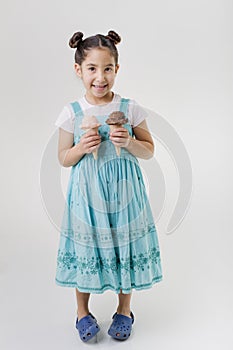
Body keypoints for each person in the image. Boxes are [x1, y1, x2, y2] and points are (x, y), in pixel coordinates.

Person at [55, 30, 163, 342]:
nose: (100, 77)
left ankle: (124, 310)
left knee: (124, 247)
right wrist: (80, 148)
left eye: (107, 69)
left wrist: (128, 141)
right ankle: (82, 312)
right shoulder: (71, 113)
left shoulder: (130, 108)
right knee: (85, 247)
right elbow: (64, 157)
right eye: (92, 69)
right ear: (79, 70)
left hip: (125, 193)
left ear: (117, 69)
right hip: (87, 196)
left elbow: (149, 150)